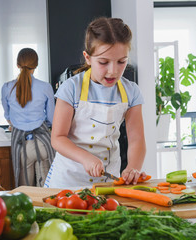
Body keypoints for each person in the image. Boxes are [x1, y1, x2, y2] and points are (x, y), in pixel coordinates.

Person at [44, 17, 147, 188]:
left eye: (121, 62)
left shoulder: (131, 91)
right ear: (88, 57)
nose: (113, 71)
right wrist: (85, 157)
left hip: (108, 179)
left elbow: (136, 139)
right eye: (103, 62)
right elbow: (58, 138)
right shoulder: (71, 88)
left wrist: (133, 168)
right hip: (68, 179)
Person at [1, 48, 56, 187]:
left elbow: (8, 116)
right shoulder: (45, 87)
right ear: (36, 65)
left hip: (21, 147)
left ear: (17, 65)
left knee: (25, 192)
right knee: (46, 190)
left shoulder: (7, 87)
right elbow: (51, 119)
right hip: (43, 143)